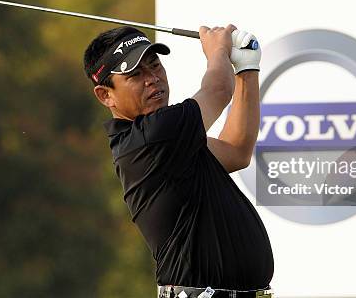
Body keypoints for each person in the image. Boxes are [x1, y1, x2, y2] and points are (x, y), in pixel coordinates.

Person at [83, 24, 274, 298]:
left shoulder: (165, 140)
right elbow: (219, 90)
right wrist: (218, 49)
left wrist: (246, 70)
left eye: (155, 66)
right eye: (135, 74)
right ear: (105, 95)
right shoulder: (153, 138)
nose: (152, 78)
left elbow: (236, 150)